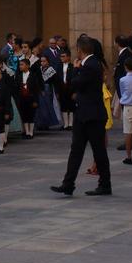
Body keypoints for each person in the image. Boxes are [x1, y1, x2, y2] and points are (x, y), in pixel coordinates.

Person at [54, 36, 111, 196]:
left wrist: (77, 69)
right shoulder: (90, 64)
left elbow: (75, 84)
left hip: (93, 116)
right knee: (76, 150)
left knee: (98, 151)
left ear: (80, 50)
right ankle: (68, 184)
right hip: (83, 114)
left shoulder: (90, 65)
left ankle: (105, 184)